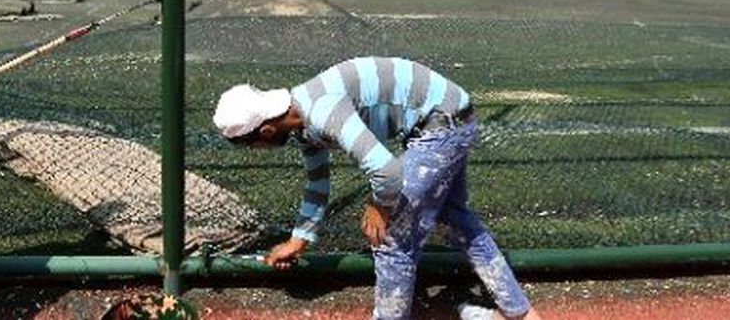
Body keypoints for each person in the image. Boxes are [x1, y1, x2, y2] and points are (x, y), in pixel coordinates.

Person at [213, 57, 542, 320]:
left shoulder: (321, 110)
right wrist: (299, 240)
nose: (255, 151)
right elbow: (317, 182)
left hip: (441, 123)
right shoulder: (302, 119)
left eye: (250, 145)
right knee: (457, 220)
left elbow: (387, 170)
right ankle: (521, 313)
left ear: (267, 130)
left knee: (390, 236)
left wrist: (380, 206)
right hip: (452, 115)